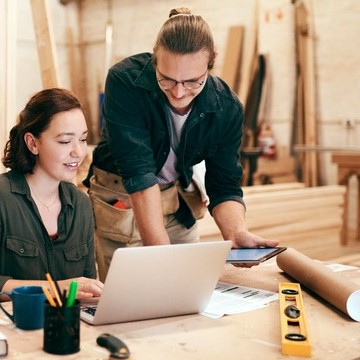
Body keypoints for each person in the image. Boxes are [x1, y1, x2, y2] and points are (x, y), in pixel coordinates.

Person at [85, 7, 279, 282]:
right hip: (122, 198)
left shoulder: (227, 107)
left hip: (175, 199)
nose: (178, 92)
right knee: (133, 295)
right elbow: (138, 172)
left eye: (192, 82)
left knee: (185, 289)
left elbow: (223, 183)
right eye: (167, 79)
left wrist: (235, 232)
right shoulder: (125, 81)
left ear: (212, 62)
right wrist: (163, 258)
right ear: (155, 57)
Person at [0, 88, 103, 300]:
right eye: (65, 141)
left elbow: (86, 285)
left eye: (83, 139)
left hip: (70, 325)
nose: (78, 152)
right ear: (32, 143)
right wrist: (58, 288)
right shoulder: (3, 198)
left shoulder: (81, 204)